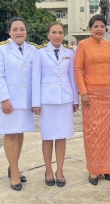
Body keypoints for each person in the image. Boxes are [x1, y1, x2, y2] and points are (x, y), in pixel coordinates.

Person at [0, 17, 39, 191]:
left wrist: (35, 101)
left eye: (22, 29)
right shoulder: (0, 49)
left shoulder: (33, 49)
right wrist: (4, 99)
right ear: (9, 32)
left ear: (26, 31)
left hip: (25, 100)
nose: (19, 32)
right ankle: (15, 173)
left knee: (19, 134)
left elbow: (35, 76)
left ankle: (14, 167)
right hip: (8, 100)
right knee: (10, 134)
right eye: (15, 29)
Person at [74, 14, 110, 186]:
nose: (99, 29)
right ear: (90, 29)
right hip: (91, 95)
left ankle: (106, 168)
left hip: (108, 93)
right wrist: (83, 92)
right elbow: (78, 69)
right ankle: (94, 170)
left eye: (102, 26)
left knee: (106, 132)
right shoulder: (83, 45)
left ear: (105, 29)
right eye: (96, 26)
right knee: (93, 132)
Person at [32, 22, 79, 187]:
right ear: (48, 35)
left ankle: (60, 170)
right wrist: (35, 102)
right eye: (54, 32)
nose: (57, 35)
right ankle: (48, 170)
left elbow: (72, 76)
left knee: (61, 135)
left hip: (65, 99)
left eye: (60, 32)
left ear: (63, 35)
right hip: (47, 101)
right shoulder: (40, 53)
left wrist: (75, 100)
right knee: (47, 136)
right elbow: (35, 78)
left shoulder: (70, 53)